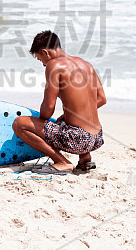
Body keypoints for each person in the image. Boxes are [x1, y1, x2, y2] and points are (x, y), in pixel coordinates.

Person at [12, 30, 105, 174]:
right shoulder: (86, 65)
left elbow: (48, 109)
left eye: (39, 59)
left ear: (45, 52)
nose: (43, 64)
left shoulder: (54, 65)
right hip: (96, 137)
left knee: (19, 124)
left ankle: (61, 161)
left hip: (79, 139)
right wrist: (69, 115)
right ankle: (85, 158)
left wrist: (37, 122)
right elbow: (102, 99)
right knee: (64, 121)